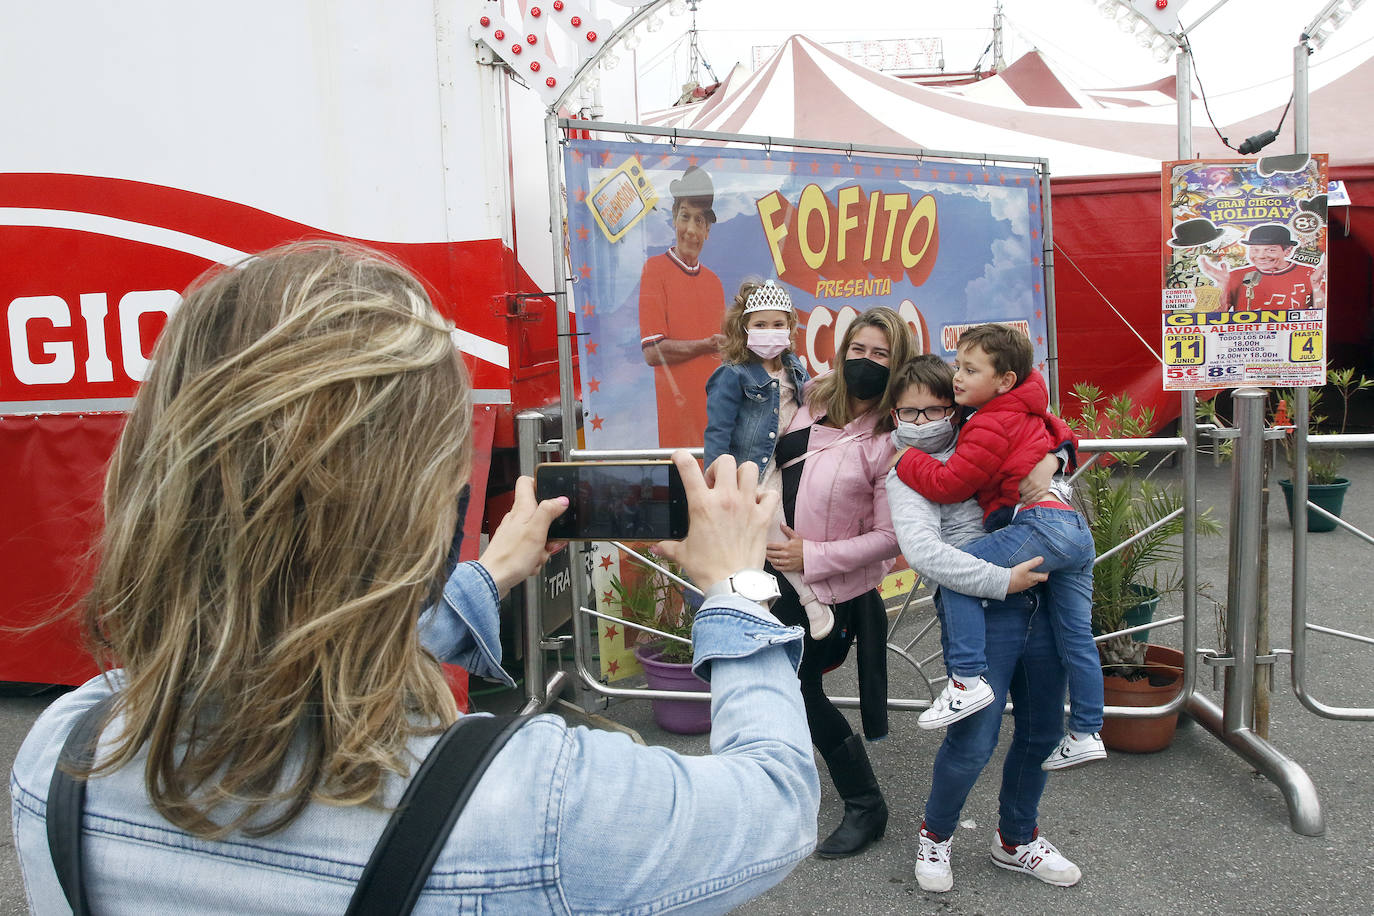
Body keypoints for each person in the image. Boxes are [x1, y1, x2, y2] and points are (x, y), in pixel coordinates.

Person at [10, 242, 819, 914]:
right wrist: (736, 586)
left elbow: (301, 645)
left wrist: (492, 574)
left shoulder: (63, 753)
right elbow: (775, 803)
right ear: (421, 505)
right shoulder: (533, 803)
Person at [885, 355, 1083, 894]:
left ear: (956, 405)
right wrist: (1001, 580)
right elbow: (925, 553)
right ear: (895, 413)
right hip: (984, 612)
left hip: (1041, 601)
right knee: (975, 738)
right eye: (909, 411)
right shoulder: (909, 471)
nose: (923, 421)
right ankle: (936, 834)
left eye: (934, 409)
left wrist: (1056, 457)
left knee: (1042, 728)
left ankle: (1016, 839)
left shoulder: (984, 433)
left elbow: (1042, 416)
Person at [893, 324, 1104, 770]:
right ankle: (1087, 730)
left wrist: (904, 459)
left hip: (1041, 523)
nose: (958, 377)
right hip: (1074, 529)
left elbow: (950, 485)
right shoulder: (1020, 404)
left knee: (958, 572)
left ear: (1005, 380)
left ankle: (966, 682)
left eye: (970, 369)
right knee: (1076, 637)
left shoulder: (990, 420)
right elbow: (1062, 429)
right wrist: (1056, 457)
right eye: (957, 366)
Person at [765, 306, 916, 859]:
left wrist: (814, 553)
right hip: (768, 578)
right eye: (859, 350)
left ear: (895, 363)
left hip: (828, 592)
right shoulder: (809, 402)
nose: (867, 362)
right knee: (773, 687)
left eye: (880, 354)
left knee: (800, 690)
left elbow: (888, 537)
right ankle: (781, 784)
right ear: (842, 349)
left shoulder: (892, 439)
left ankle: (865, 803)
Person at [705, 279, 834, 638]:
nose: (769, 332)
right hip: (752, 471)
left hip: (791, 466)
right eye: (760, 325)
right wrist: (716, 479)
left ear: (790, 327)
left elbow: (813, 410)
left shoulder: (795, 369)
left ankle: (781, 605)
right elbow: (717, 431)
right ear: (743, 328)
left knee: (792, 526)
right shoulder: (732, 376)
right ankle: (809, 598)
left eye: (777, 324)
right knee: (769, 530)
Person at [638, 164, 727, 448]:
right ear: (674, 219)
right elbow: (653, 352)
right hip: (676, 423)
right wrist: (706, 344)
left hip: (715, 420)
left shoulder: (714, 282)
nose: (691, 229)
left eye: (699, 221)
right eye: (685, 217)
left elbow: (724, 354)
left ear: (708, 230)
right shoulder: (655, 270)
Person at [1198, 223, 1324, 310]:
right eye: (1255, 250)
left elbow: (1323, 313)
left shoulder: (1309, 273)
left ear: (1288, 251)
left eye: (1270, 250)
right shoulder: (1235, 275)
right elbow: (1211, 318)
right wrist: (1221, 285)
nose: (1261, 256)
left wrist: (1317, 287)